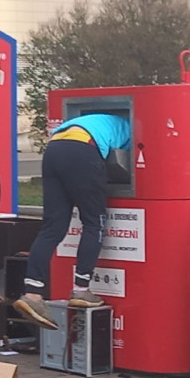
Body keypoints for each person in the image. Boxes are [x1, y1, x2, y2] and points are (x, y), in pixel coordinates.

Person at [14, 113, 132, 330]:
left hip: (54, 148)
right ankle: (81, 289)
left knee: (52, 228)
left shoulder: (103, 120)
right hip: (83, 149)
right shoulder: (133, 129)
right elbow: (131, 163)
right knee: (94, 223)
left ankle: (32, 295)